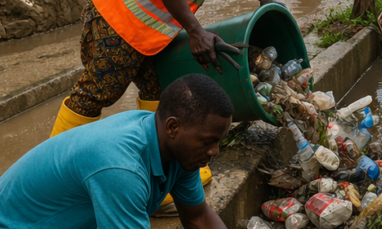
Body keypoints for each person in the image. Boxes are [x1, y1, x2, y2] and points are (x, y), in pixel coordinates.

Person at [49, 0, 281, 195]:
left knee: (162, 93)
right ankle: (54, 175)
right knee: (97, 93)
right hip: (118, 19)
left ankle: (164, 179)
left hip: (157, 27)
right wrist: (196, 31)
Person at [0, 74, 234, 229]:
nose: (214, 151)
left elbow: (197, 216)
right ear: (173, 127)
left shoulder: (181, 149)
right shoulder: (121, 167)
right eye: (208, 142)